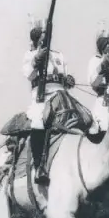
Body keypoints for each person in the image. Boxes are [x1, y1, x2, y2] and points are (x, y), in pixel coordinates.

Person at [20, 18, 91, 183]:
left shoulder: (58, 55)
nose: (46, 37)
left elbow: (64, 77)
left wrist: (68, 80)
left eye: (47, 34)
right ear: (37, 36)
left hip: (62, 96)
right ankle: (39, 166)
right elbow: (28, 74)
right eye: (43, 34)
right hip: (42, 97)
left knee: (87, 119)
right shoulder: (30, 54)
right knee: (38, 122)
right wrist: (36, 60)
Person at [87, 26, 109, 132]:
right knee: (104, 125)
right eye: (107, 43)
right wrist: (102, 67)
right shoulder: (95, 60)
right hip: (103, 100)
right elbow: (93, 83)